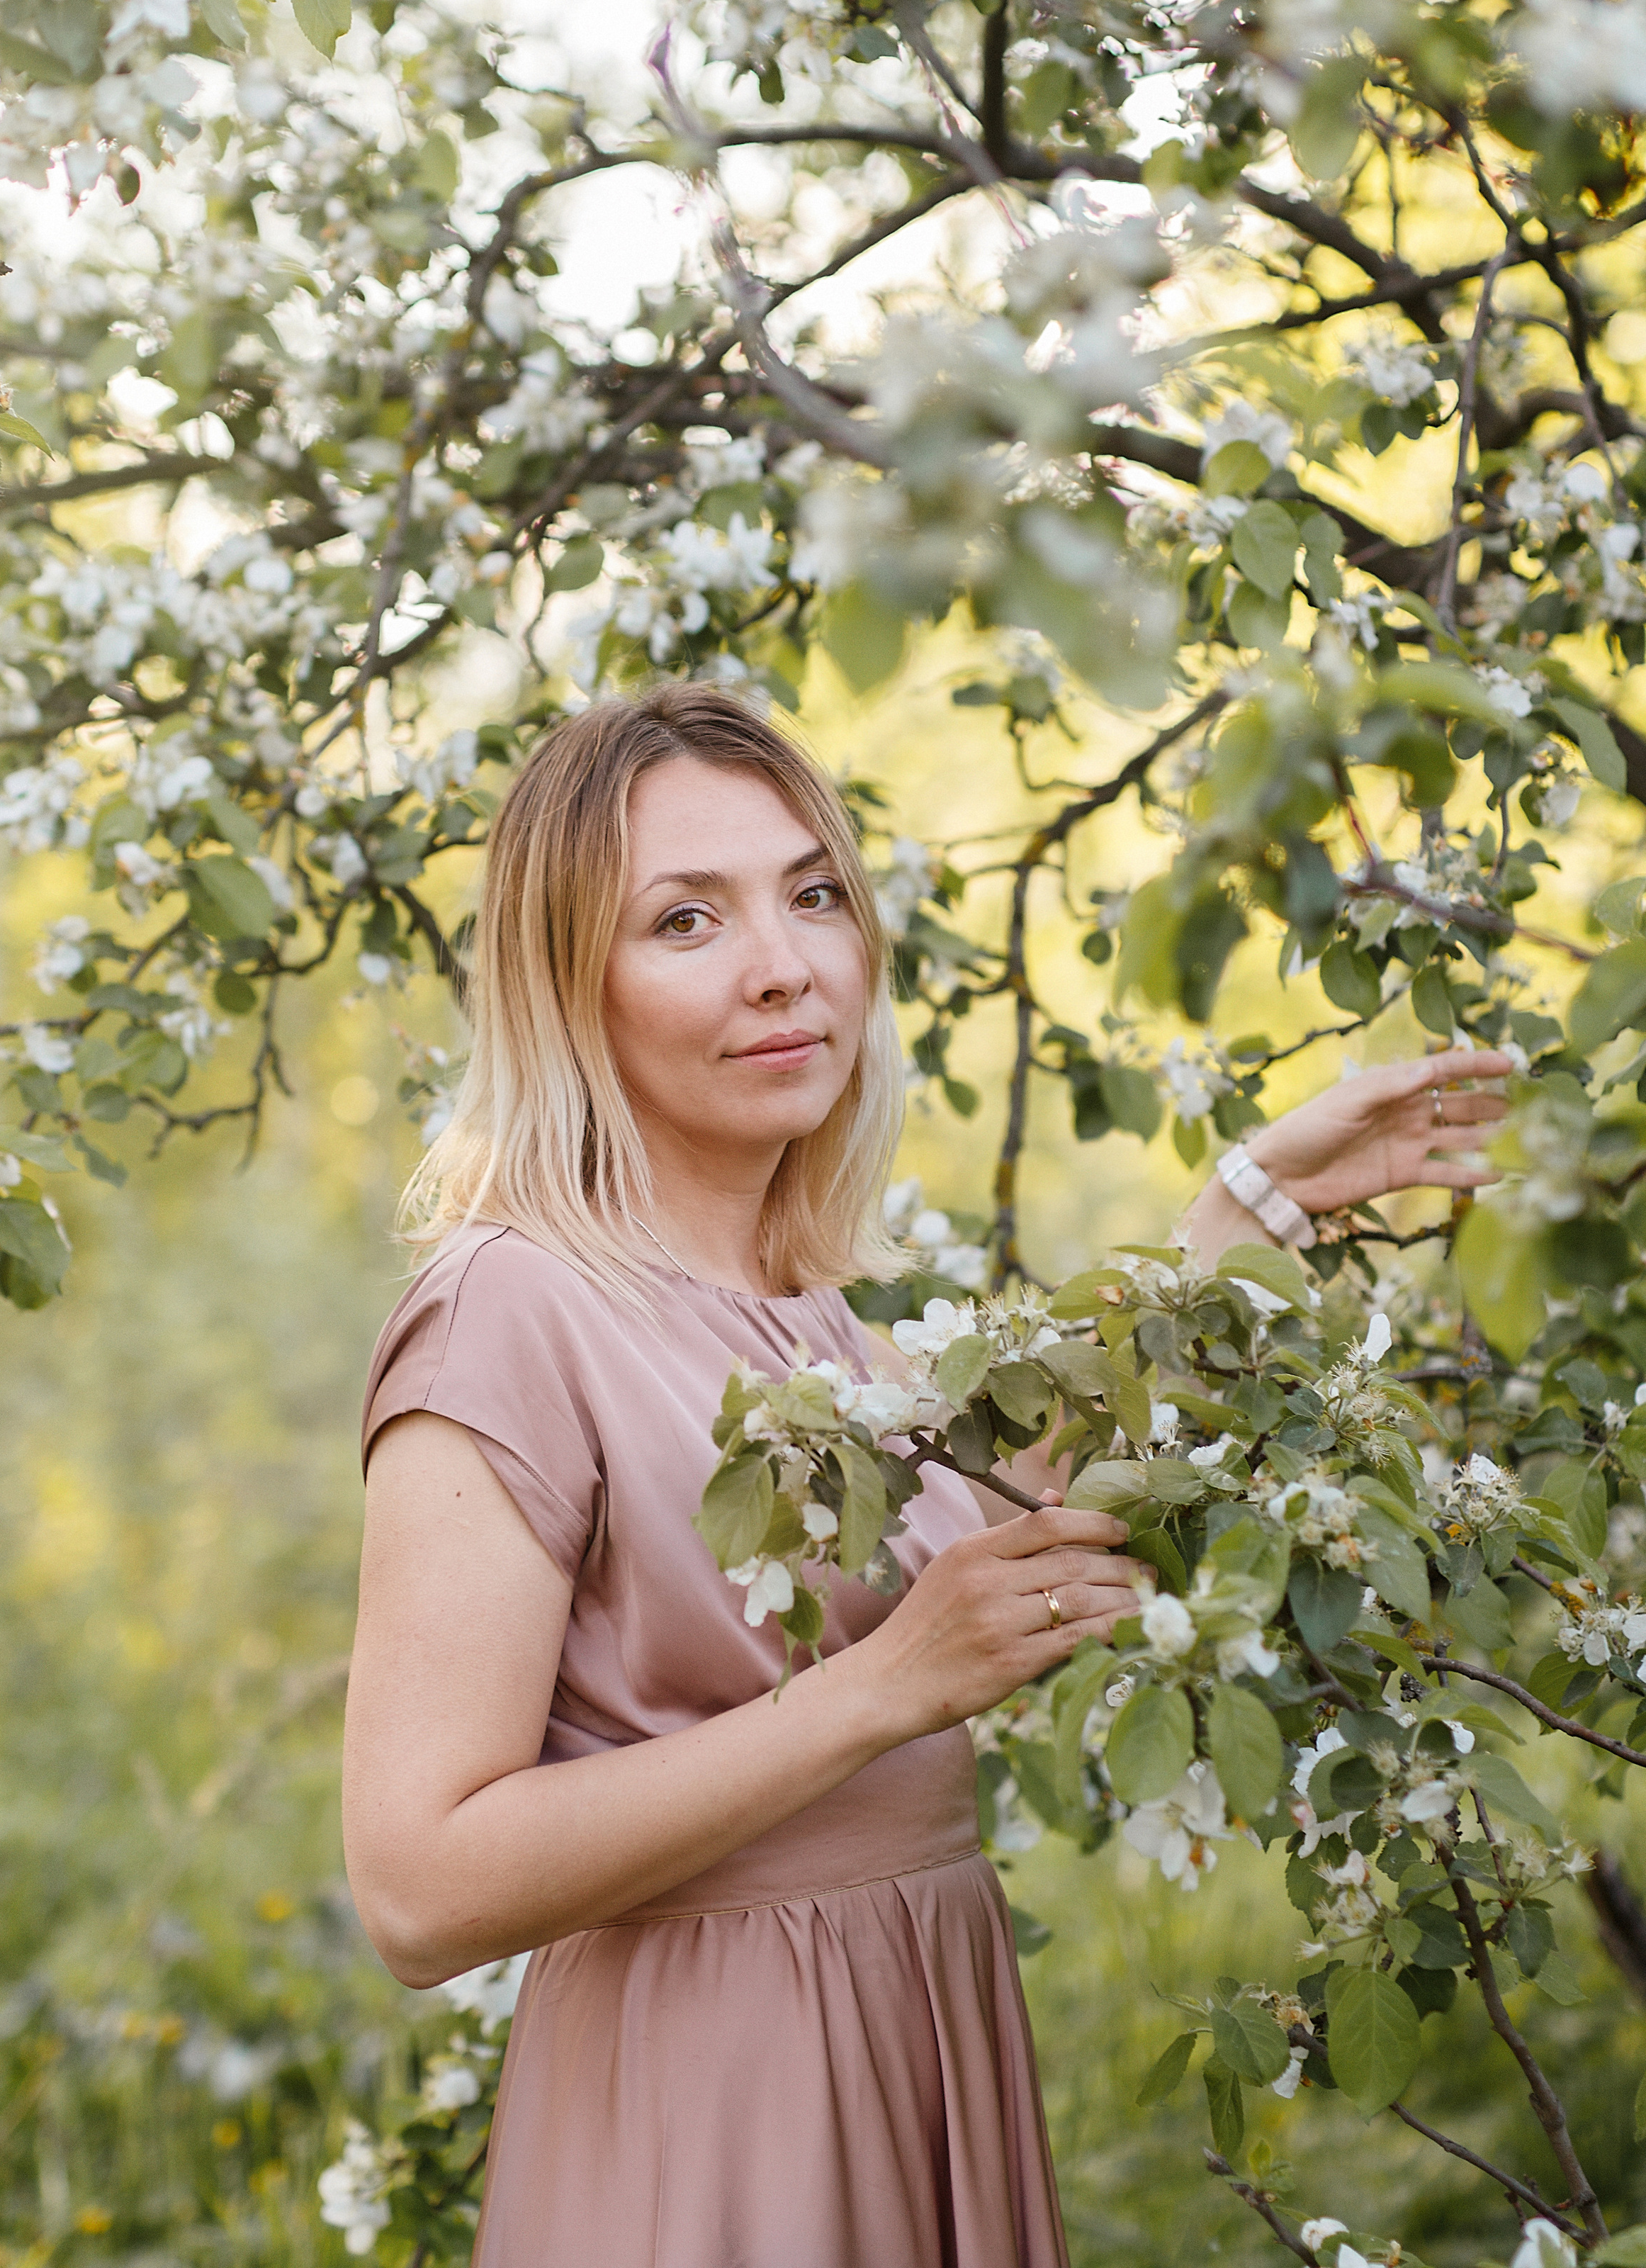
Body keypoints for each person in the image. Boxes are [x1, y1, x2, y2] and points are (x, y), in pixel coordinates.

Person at [342, 683, 1511, 2268]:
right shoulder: (508, 1307)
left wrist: (1240, 1213)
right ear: (568, 986)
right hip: (714, 2095)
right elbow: (418, 1885)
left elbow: (1007, 1534)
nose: (784, 965)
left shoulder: (805, 1301)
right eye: (684, 919)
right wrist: (882, 1689)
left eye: (811, 893)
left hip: (916, 2024)